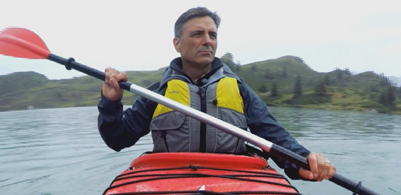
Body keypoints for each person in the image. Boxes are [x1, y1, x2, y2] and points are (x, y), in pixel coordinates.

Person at [98, 7, 335, 181]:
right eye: (197, 34)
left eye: (212, 35)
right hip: (170, 182)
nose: (207, 41)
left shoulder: (239, 90)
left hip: (232, 182)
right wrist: (111, 102)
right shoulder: (158, 93)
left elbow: (273, 137)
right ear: (177, 44)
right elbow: (118, 139)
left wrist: (304, 161)